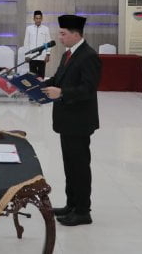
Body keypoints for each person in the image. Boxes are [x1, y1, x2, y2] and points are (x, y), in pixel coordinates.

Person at [42, 14, 101, 227]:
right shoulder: (68, 54)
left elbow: (88, 89)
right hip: (66, 120)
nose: (60, 37)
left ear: (76, 34)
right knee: (70, 165)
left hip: (79, 121)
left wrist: (62, 93)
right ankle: (72, 204)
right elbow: (58, 79)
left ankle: (83, 211)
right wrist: (39, 83)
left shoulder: (88, 56)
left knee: (80, 166)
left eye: (63, 34)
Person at [24, 10, 52, 78]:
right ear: (34, 19)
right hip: (32, 57)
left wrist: (48, 54)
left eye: (39, 18)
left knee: (41, 77)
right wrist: (27, 55)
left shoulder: (46, 29)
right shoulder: (29, 28)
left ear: (42, 19)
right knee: (32, 77)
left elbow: (48, 43)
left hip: (42, 57)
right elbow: (26, 42)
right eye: (36, 18)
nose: (38, 20)